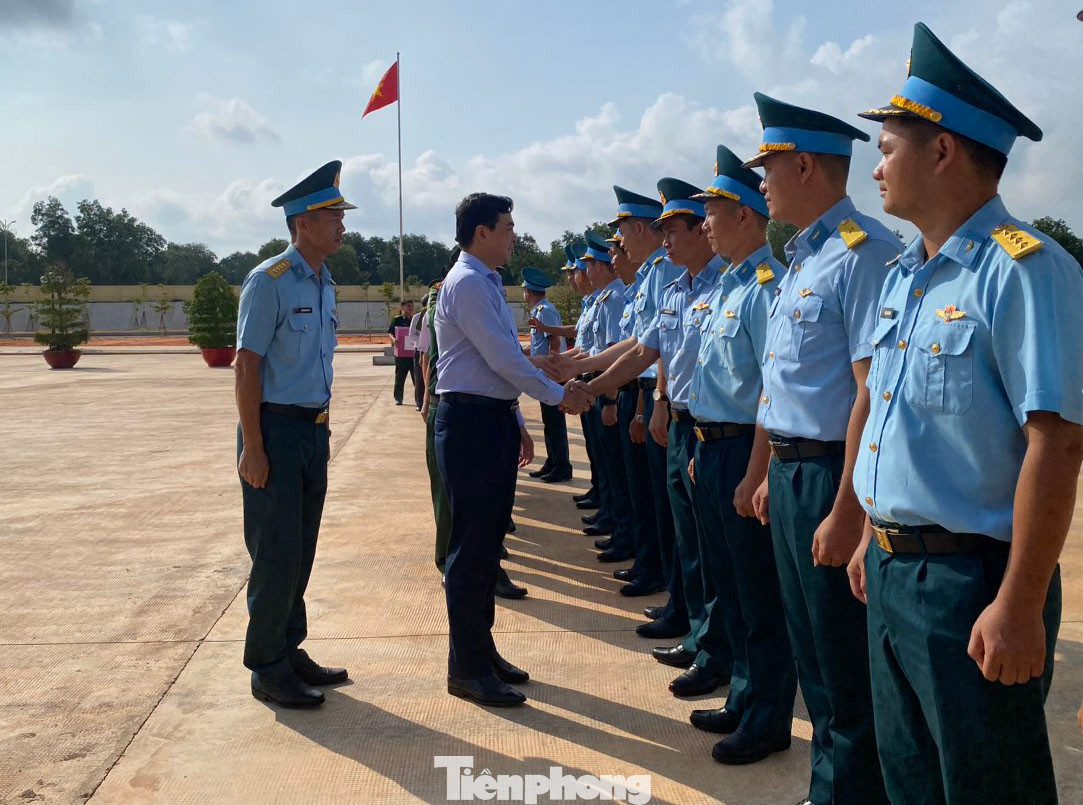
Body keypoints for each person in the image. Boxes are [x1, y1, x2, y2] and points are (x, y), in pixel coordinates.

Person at [848, 22, 1083, 804]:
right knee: (910, 777)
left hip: (968, 582)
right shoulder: (904, 278)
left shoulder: (1022, 269)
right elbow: (886, 417)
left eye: (887, 147)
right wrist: (869, 534)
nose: (875, 167)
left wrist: (1017, 602)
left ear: (942, 149)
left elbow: (1055, 441)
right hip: (890, 569)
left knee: (989, 784)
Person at [741, 93, 900, 805]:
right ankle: (827, 785)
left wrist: (848, 508)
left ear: (803, 165)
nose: (763, 182)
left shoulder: (862, 256)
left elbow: (869, 394)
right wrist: (774, 465)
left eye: (769, 167)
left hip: (834, 476)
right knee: (811, 650)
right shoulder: (803, 258)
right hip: (794, 471)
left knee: (842, 661)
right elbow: (785, 384)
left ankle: (849, 792)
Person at [566, 178, 732, 698]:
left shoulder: (730, 284)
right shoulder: (677, 284)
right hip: (684, 419)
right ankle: (703, 638)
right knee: (689, 535)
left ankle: (717, 649)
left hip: (722, 432)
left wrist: (636, 398)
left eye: (673, 229)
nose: (664, 241)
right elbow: (644, 350)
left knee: (720, 555)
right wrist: (587, 383)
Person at [434, 192, 591, 707]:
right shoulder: (468, 284)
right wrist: (558, 395)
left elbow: (502, 360)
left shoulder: (486, 283)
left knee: (488, 544)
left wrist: (519, 413)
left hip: (490, 418)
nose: (513, 235)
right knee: (472, 550)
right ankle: (467, 666)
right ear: (482, 233)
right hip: (471, 424)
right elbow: (501, 359)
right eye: (506, 227)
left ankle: (482, 652)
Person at [682, 145, 797, 765]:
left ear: (748, 217)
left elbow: (768, 392)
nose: (704, 224)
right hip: (713, 450)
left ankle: (767, 717)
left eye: (714, 212)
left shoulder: (763, 288)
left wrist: (754, 470)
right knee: (728, 583)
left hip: (744, 454)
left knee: (758, 593)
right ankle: (744, 695)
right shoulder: (728, 286)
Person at [234, 160, 355, 708]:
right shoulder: (270, 281)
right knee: (275, 551)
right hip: (275, 431)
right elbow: (246, 366)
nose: (342, 226)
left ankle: (289, 648)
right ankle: (266, 665)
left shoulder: (325, 282)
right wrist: (254, 449)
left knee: (300, 549)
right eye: (333, 215)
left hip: (313, 431)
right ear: (302, 222)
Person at [421, 267, 528, 601]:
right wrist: (426, 396)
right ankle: (456, 567)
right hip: (454, 406)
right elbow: (428, 356)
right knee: (452, 503)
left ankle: (477, 567)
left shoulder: (478, 292)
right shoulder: (458, 295)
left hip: (469, 405)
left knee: (474, 508)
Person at [581, 230, 637, 564]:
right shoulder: (607, 299)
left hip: (618, 390)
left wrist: (612, 399)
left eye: (589, 265)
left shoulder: (615, 299)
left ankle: (626, 536)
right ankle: (619, 527)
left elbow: (631, 353)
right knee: (612, 468)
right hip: (604, 384)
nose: (583, 272)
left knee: (624, 475)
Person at [521, 267, 573, 483]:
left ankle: (561, 465)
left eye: (525, 290)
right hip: (543, 373)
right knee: (549, 422)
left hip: (551, 373)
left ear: (529, 291)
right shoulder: (539, 311)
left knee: (555, 422)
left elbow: (553, 342)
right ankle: (552, 462)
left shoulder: (545, 311)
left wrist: (553, 371)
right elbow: (537, 345)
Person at [388, 300, 415, 405]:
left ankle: (419, 399)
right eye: (408, 306)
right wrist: (394, 340)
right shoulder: (397, 320)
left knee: (416, 378)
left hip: (413, 353)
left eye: (412, 306)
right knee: (400, 377)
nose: (410, 308)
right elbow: (390, 332)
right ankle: (398, 398)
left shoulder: (415, 320)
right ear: (402, 307)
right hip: (401, 354)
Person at [409, 301, 426, 410]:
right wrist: (422, 343)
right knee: (419, 377)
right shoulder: (418, 317)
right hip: (419, 349)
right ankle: (419, 402)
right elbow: (412, 334)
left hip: (431, 349)